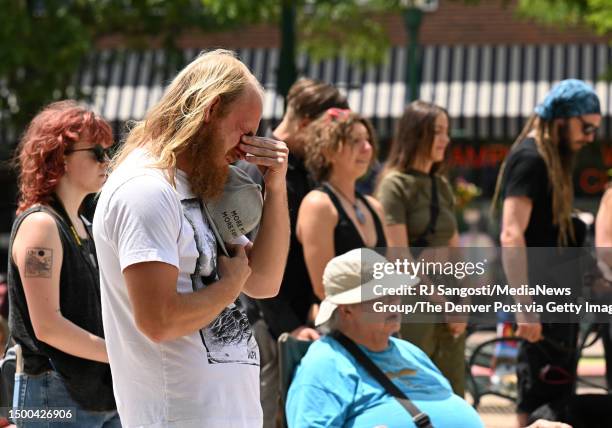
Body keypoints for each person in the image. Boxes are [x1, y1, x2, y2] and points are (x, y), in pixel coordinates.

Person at [93, 49, 290, 427]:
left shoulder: (199, 182)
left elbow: (265, 280)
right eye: (244, 131)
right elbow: (158, 321)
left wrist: (276, 188)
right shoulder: (146, 189)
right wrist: (228, 288)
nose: (247, 147)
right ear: (211, 110)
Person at [238, 78, 349, 427]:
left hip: (299, 323)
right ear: (303, 122)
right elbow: (250, 260)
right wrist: (289, 325)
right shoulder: (258, 168)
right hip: (268, 326)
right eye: (327, 130)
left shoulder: (305, 169)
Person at [492, 79, 601, 426]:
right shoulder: (531, 158)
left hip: (557, 304)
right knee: (536, 399)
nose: (590, 137)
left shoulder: (553, 160)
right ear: (561, 119)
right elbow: (511, 233)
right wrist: (524, 308)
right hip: (539, 302)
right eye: (585, 127)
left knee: (557, 401)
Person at [8, 100, 119, 426]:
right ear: (60, 158)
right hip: (53, 393)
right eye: (96, 152)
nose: (107, 161)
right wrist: (122, 354)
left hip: (95, 392)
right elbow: (48, 326)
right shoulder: (41, 226)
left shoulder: (85, 223)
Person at [286, 248, 484, 428]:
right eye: (380, 293)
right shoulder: (324, 363)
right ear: (346, 310)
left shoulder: (409, 351)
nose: (394, 299)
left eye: (394, 290)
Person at [375, 100, 466, 396]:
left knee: (453, 394)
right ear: (417, 134)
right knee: (418, 392)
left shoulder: (441, 185)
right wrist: (443, 305)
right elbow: (399, 257)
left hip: (449, 300)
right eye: (438, 131)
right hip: (415, 301)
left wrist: (463, 301)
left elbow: (456, 250)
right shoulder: (394, 185)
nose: (446, 139)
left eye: (447, 131)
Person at [297, 108, 388, 302]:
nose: (367, 148)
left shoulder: (374, 207)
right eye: (355, 140)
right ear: (329, 150)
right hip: (342, 325)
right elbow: (324, 288)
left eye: (368, 139)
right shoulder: (318, 205)